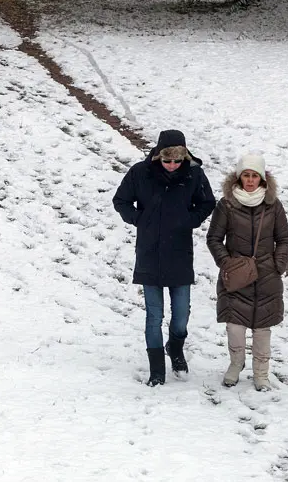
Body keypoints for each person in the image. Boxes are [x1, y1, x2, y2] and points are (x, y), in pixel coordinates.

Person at [113, 130, 216, 386]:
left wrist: (188, 221)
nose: (172, 165)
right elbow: (121, 200)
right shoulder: (140, 173)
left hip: (180, 252)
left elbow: (207, 202)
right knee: (154, 315)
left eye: (177, 161)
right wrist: (140, 220)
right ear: (159, 156)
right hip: (150, 252)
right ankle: (157, 369)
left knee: (181, 314)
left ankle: (176, 347)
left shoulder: (194, 175)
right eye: (167, 160)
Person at [206, 153, 288, 390]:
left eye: (255, 176)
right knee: (234, 325)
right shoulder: (226, 205)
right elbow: (214, 238)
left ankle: (261, 373)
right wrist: (227, 263)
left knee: (262, 327)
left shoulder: (274, 206)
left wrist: (278, 265)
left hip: (267, 276)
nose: (250, 180)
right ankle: (236, 363)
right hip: (236, 276)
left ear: (262, 179)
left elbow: (283, 239)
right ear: (239, 177)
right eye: (246, 175)